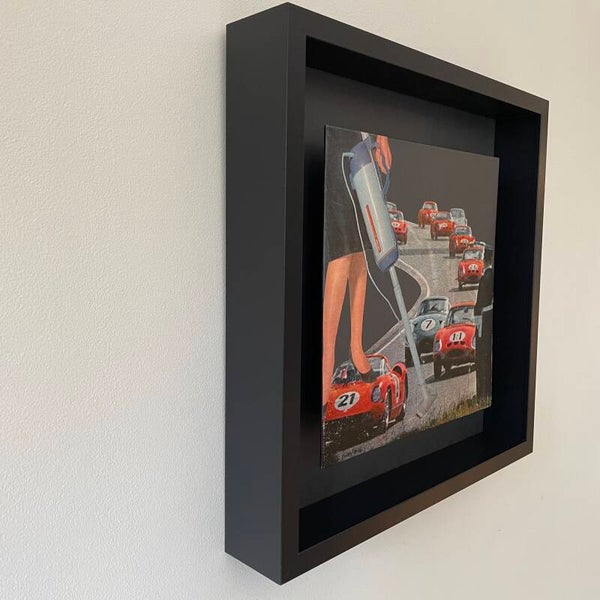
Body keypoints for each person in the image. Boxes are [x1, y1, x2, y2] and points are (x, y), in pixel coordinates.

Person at [322, 128, 392, 408]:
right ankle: (326, 360)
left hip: (360, 144)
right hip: (335, 145)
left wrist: (382, 137)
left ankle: (356, 346)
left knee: (360, 253)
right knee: (341, 254)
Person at [474, 245, 493, 402]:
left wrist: (478, 326)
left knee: (482, 357)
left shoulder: (485, 278)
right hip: (489, 314)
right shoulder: (491, 275)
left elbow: (479, 304)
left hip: (484, 317)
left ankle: (482, 393)